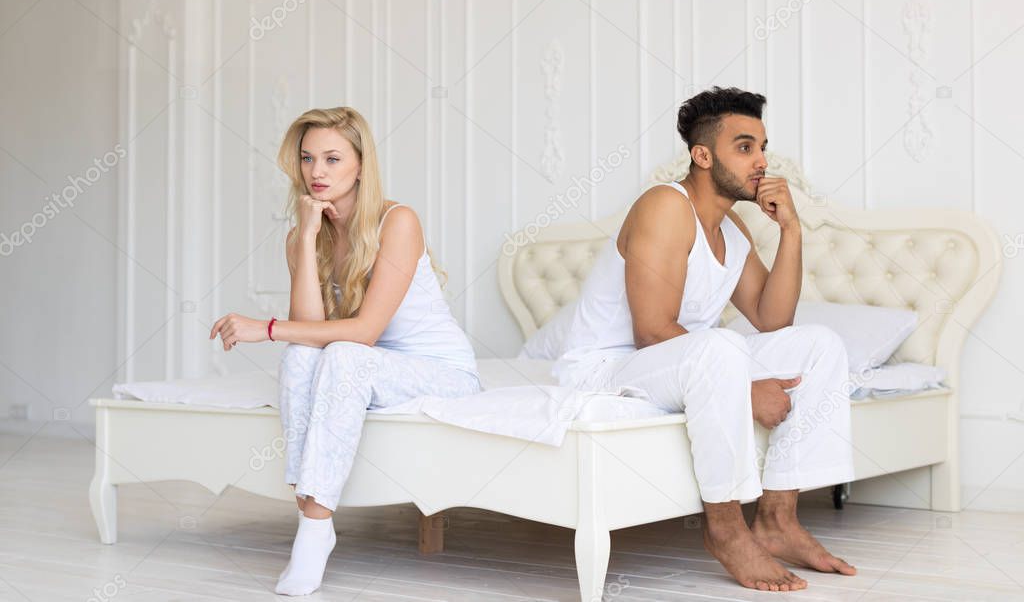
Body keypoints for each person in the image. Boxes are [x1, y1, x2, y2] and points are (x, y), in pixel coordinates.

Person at [552, 86, 857, 592]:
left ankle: (778, 520)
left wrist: (792, 232)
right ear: (702, 155)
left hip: (681, 363)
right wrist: (744, 387)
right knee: (719, 346)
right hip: (606, 369)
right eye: (744, 147)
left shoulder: (731, 228)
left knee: (818, 344)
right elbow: (651, 329)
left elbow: (773, 321)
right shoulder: (664, 206)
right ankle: (725, 527)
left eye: (762, 147)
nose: (761, 161)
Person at [209, 106, 480, 596]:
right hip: (361, 364)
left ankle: (313, 532)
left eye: (333, 159)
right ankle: (312, 522)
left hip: (440, 371)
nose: (317, 172)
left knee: (344, 353)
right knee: (305, 355)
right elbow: (310, 333)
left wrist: (265, 327)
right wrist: (309, 236)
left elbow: (366, 332)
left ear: (360, 165)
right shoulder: (301, 236)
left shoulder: (397, 221)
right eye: (308, 158)